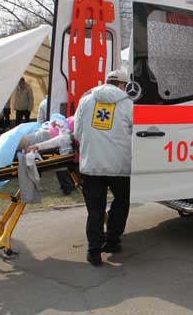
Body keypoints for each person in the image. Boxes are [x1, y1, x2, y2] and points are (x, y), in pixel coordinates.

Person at [74, 69, 133, 266]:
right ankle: (113, 242)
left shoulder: (86, 101)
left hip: (92, 165)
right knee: (122, 201)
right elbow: (136, 133)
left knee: (95, 210)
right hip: (120, 166)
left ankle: (93, 252)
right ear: (123, 85)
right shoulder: (127, 104)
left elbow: (77, 133)